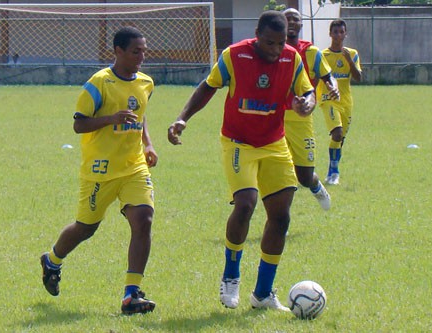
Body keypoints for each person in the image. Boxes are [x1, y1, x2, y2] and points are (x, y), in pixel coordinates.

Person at [168, 11, 315, 311]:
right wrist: (182, 119)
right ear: (257, 34)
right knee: (246, 203)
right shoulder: (234, 56)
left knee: (281, 216)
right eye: (269, 43)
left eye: (280, 43)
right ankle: (231, 276)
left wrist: (306, 104)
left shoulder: (292, 59)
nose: (275, 50)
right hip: (238, 142)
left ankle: (262, 293)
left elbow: (307, 92)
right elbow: (208, 86)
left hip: (274, 143)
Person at [40, 26, 158, 315]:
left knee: (143, 220)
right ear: (118, 51)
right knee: (86, 228)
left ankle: (132, 294)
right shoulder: (99, 83)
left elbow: (139, 117)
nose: (142, 56)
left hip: (133, 168)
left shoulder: (146, 82)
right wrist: (110, 119)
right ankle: (52, 260)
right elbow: (79, 124)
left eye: (144, 50)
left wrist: (148, 145)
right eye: (136, 51)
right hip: (99, 171)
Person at [283, 8, 339, 210]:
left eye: (295, 19)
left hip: (302, 119)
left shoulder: (311, 52)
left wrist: (333, 86)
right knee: (282, 173)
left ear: (301, 24)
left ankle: (315, 186)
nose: (291, 21)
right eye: (286, 18)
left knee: (304, 176)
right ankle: (280, 220)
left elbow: (328, 76)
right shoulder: (272, 51)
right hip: (275, 118)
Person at [317, 19, 362, 185]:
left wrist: (349, 61)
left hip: (346, 101)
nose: (338, 35)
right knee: (336, 133)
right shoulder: (323, 55)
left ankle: (332, 169)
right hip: (328, 99)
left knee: (340, 139)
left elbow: (358, 78)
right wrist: (329, 87)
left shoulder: (352, 53)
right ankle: (334, 172)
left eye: (341, 32)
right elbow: (322, 76)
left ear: (345, 34)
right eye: (335, 32)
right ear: (330, 34)